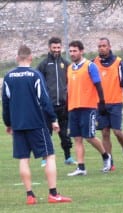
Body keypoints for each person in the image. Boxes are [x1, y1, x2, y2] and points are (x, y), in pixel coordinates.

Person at [2, 45, 72, 204]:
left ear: (17, 57)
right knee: (50, 155)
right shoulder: (35, 75)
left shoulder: (8, 76)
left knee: (23, 159)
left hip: (18, 124)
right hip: (36, 123)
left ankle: (30, 196)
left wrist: (8, 123)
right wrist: (53, 119)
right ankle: (53, 194)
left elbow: (5, 102)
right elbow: (45, 100)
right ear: (31, 58)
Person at [66, 40, 111, 176]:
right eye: (71, 51)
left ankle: (106, 156)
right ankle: (81, 167)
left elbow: (98, 85)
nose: (72, 53)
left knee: (90, 137)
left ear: (81, 51)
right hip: (73, 108)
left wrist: (102, 102)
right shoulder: (69, 68)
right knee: (77, 138)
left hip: (88, 107)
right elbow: (69, 89)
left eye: (75, 51)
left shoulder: (90, 66)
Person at [93, 37, 123, 171]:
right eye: (99, 46)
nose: (101, 48)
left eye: (104, 46)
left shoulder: (118, 62)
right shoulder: (94, 63)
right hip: (100, 104)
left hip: (115, 102)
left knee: (117, 132)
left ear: (109, 47)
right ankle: (109, 162)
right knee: (105, 132)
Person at [37, 37, 76, 167]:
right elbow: (38, 85)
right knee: (46, 133)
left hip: (63, 105)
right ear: (49, 48)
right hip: (48, 107)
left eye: (58, 48)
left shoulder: (66, 64)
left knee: (64, 134)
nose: (56, 50)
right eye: (54, 48)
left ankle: (68, 157)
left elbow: (71, 83)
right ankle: (44, 158)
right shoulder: (43, 65)